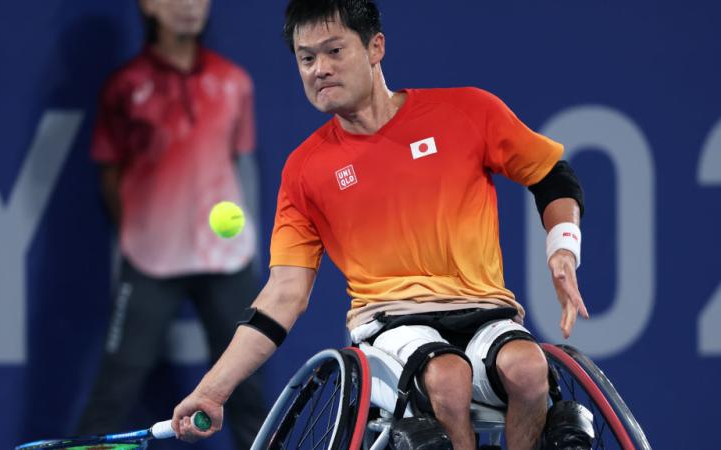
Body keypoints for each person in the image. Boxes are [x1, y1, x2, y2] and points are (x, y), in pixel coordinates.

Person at [171, 1, 588, 449]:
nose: (319, 70)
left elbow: (550, 174)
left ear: (375, 47)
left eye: (333, 51)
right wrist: (213, 390)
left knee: (528, 368)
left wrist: (562, 247)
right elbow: (283, 294)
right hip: (389, 324)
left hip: (485, 309)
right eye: (306, 58)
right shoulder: (305, 170)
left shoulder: (468, 110)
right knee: (448, 377)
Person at [76, 0, 266, 448]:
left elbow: (234, 162)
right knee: (115, 389)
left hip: (227, 260)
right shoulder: (125, 87)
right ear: (149, 6)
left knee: (247, 393)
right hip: (150, 260)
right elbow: (110, 174)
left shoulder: (235, 82)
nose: (189, 6)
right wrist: (142, 234)